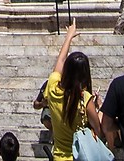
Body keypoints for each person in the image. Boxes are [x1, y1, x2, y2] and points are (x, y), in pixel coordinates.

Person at [38, 25, 97, 161]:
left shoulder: (53, 88)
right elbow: (98, 131)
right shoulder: (85, 99)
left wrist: (69, 36)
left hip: (59, 156)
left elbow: (61, 60)